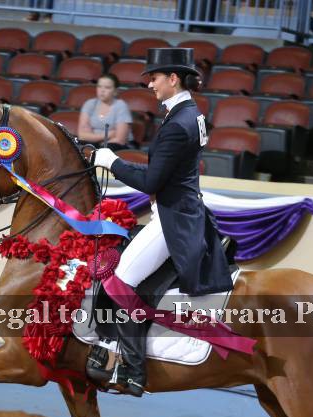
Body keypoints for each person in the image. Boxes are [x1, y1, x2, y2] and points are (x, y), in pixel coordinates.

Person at [90, 48, 233, 396]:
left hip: (173, 219)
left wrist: (112, 163)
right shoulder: (188, 113)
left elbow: (152, 181)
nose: (150, 84)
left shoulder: (179, 123)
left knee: (119, 281)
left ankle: (132, 370)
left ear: (173, 78)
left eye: (154, 78)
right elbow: (163, 172)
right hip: (179, 211)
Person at [77, 73, 132, 150]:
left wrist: (96, 141)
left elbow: (120, 139)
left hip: (115, 147)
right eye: (99, 86)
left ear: (116, 91)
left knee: (106, 149)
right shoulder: (90, 103)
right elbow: (82, 136)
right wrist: (108, 135)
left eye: (107, 87)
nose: (102, 90)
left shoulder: (121, 106)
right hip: (95, 145)